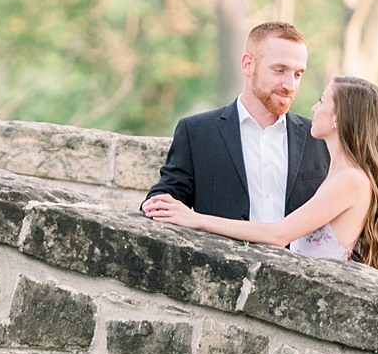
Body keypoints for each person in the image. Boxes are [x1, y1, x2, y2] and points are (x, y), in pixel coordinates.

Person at [143, 74, 378, 272]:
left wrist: (195, 219)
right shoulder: (341, 174)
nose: (313, 108)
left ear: (338, 118)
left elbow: (279, 234)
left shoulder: (351, 181)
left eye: (322, 101)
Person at [142, 21, 331, 231]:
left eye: (298, 74)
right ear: (248, 64)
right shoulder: (197, 132)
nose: (290, 85)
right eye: (280, 70)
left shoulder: (319, 138)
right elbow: (166, 197)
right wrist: (157, 204)